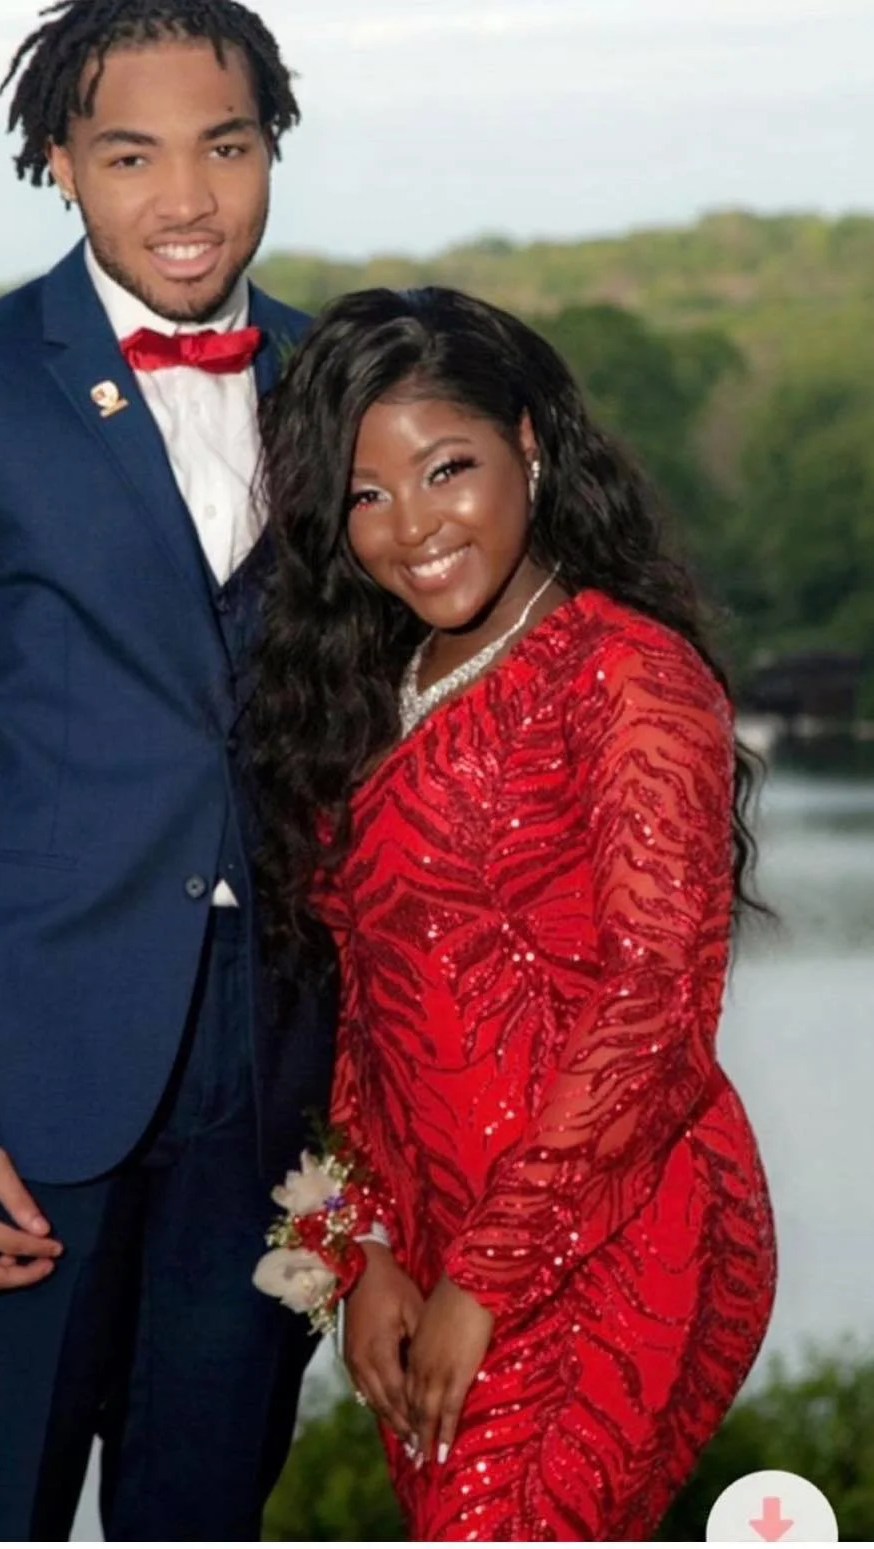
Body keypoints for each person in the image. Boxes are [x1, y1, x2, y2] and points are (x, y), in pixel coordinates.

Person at [0, 1, 336, 1540]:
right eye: (130, 155)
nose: (186, 198)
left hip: (275, 1104)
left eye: (225, 147)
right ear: (59, 161)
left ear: (272, 146)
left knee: (205, 1514)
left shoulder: (340, 381)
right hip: (16, 1103)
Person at [249, 287, 778, 1542]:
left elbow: (657, 1006)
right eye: (366, 495)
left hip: (613, 1231)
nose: (413, 527)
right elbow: (369, 1008)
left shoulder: (627, 675)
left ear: (528, 444)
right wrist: (366, 1248)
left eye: (448, 469)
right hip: (430, 1244)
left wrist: (489, 1275)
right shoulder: (370, 689)